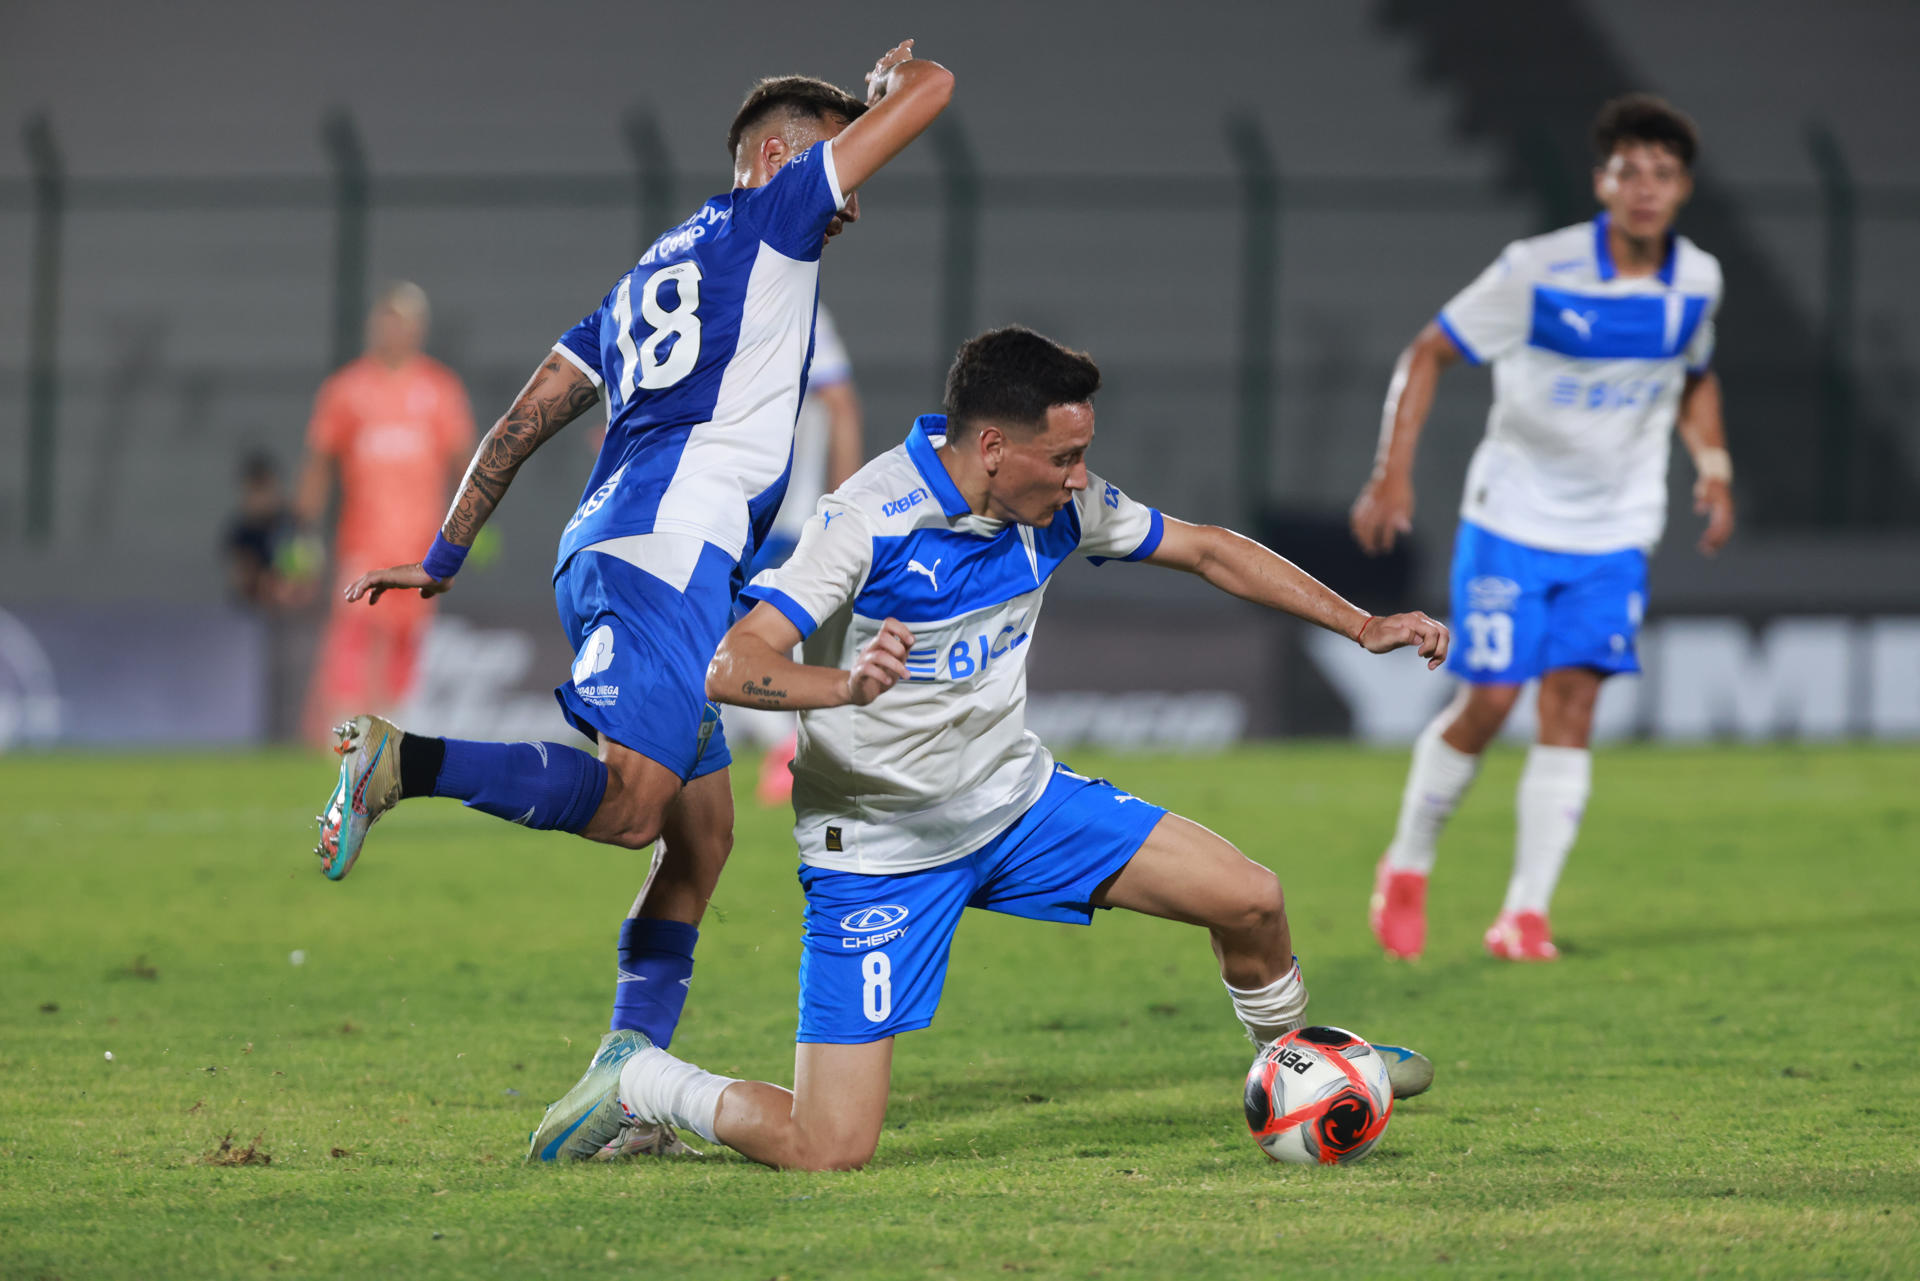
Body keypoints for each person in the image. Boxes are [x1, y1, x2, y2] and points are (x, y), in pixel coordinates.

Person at [527, 327, 1447, 1168]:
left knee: (1251, 898)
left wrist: (1361, 623)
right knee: (828, 1145)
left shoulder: (1054, 511)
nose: (1082, 478)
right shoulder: (868, 520)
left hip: (1017, 807)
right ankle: (638, 1079)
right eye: (1067, 457)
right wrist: (843, 684)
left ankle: (1297, 1061)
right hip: (881, 852)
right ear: (996, 449)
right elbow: (734, 663)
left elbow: (1207, 549)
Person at [314, 42, 954, 1146]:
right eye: (829, 154)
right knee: (630, 809)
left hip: (628, 550)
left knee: (701, 840)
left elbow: (520, 422)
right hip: (664, 554)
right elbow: (938, 93)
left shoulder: (641, 281)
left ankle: (623, 1067)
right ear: (772, 157)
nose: (846, 199)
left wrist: (446, 553)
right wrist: (897, 91)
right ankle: (399, 762)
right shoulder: (771, 217)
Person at [1348, 95, 1734, 963]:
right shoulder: (1538, 270)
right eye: (1627, 170)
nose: (1644, 188)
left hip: (1618, 528)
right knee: (1489, 699)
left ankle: (1525, 911)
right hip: (1513, 518)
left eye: (1662, 173)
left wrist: (1713, 466)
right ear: (1602, 181)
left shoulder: (1697, 279)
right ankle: (1406, 864)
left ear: (1683, 189)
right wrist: (1392, 467)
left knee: (1576, 703)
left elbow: (1695, 373)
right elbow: (1429, 351)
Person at [295, 283, 477, 744]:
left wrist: (472, 528)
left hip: (420, 547)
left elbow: (468, 465)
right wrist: (301, 530)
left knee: (403, 646)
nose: (394, 329)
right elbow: (320, 463)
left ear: (419, 328)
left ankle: (389, 744)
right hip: (363, 542)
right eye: (387, 319)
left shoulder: (440, 390)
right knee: (352, 637)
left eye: (404, 320)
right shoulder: (346, 389)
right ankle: (342, 741)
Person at [735, 302, 864, 805]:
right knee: (733, 638)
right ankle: (799, 748)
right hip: (740, 513)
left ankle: (794, 749)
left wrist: (848, 503)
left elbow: (840, 403)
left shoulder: (792, 305)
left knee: (727, 639)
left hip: (775, 516)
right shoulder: (774, 301)